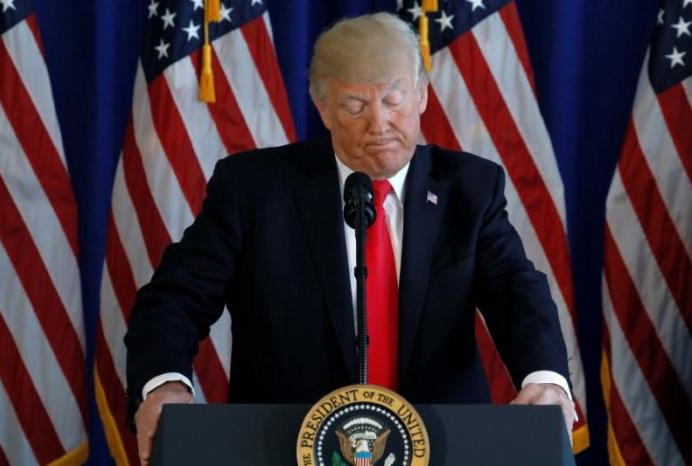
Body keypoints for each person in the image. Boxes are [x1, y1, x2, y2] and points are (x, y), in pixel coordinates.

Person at [125, 12, 576, 466]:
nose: (379, 124)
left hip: (441, 445)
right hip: (283, 446)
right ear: (323, 109)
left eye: (394, 99)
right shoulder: (254, 190)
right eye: (355, 107)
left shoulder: (471, 188)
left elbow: (517, 292)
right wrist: (164, 382)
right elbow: (175, 298)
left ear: (421, 95)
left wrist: (545, 377)